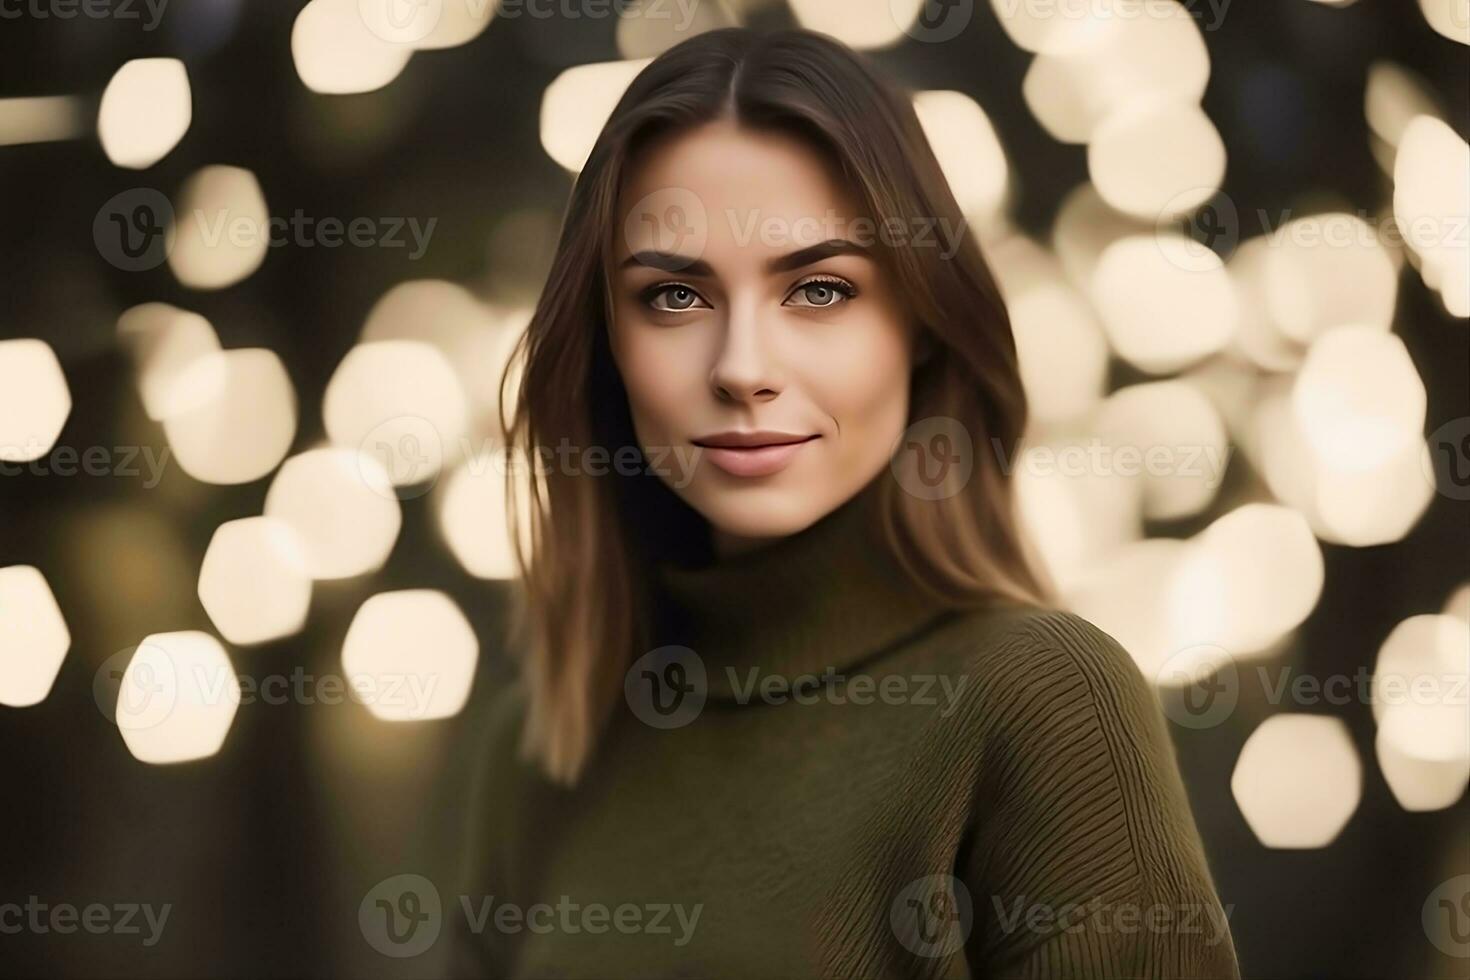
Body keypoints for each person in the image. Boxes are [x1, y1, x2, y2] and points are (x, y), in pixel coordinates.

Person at [450, 26, 1239, 978]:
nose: (743, 369)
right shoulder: (541, 748)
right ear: (605, 341)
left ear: (921, 323)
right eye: (673, 298)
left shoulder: (1045, 702)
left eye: (819, 290)